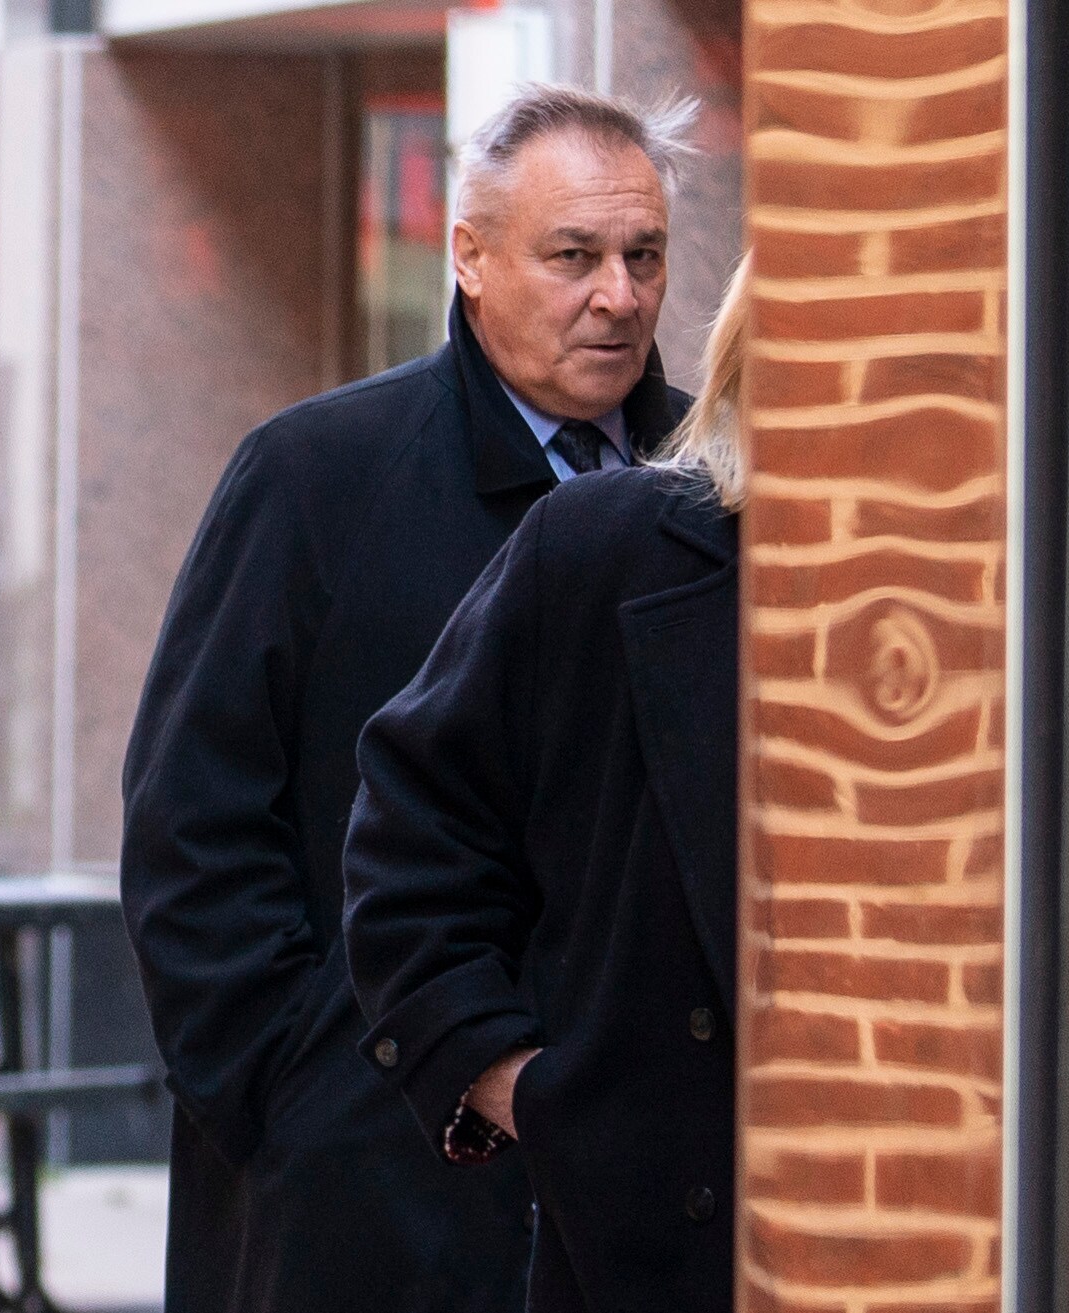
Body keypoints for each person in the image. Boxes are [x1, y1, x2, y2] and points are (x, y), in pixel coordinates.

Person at [118, 85, 696, 1313]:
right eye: (573, 256)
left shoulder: (720, 488)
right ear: (469, 257)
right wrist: (291, 1090)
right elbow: (191, 820)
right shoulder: (316, 475)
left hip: (644, 1182)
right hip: (363, 1171)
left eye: (643, 256)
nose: (618, 295)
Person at [343, 257, 749, 1313]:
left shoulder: (1031, 589)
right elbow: (413, 832)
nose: (616, 293)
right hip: (650, 1253)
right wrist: (522, 1087)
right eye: (573, 255)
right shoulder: (610, 544)